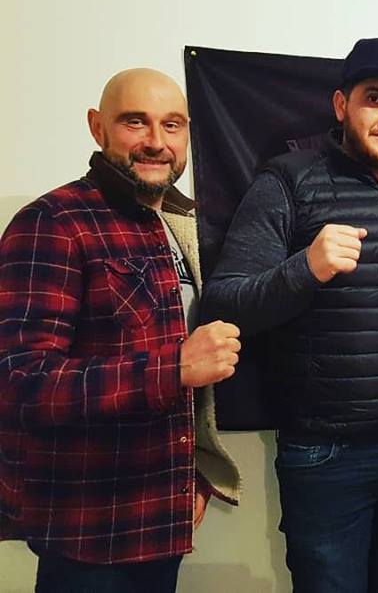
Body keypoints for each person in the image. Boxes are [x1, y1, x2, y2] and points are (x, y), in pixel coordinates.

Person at [202, 37, 378, 592]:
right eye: (374, 98)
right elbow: (224, 305)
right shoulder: (287, 181)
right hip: (325, 453)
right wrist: (304, 268)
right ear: (341, 105)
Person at [0, 68, 243, 593]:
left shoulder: (179, 225)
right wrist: (175, 366)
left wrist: (193, 469)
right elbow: (20, 383)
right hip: (87, 531)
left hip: (162, 518)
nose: (156, 141)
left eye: (172, 125)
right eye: (136, 122)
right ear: (97, 127)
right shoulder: (53, 222)